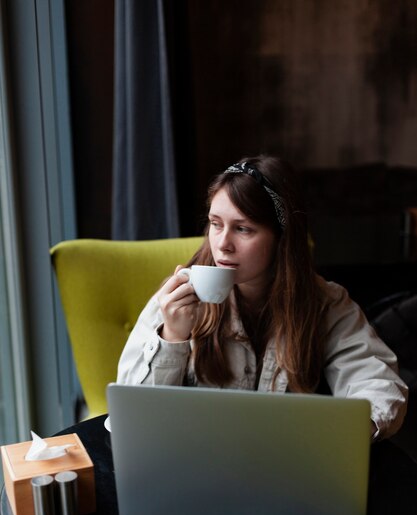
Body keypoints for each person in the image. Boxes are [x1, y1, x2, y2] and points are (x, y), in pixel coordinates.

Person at [117, 155, 408, 440]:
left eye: (242, 228)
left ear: (282, 239)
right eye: (215, 224)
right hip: (198, 458)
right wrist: (172, 337)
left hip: (288, 464)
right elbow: (132, 413)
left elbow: (379, 386)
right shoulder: (177, 298)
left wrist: (334, 436)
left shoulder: (325, 303)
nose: (223, 244)